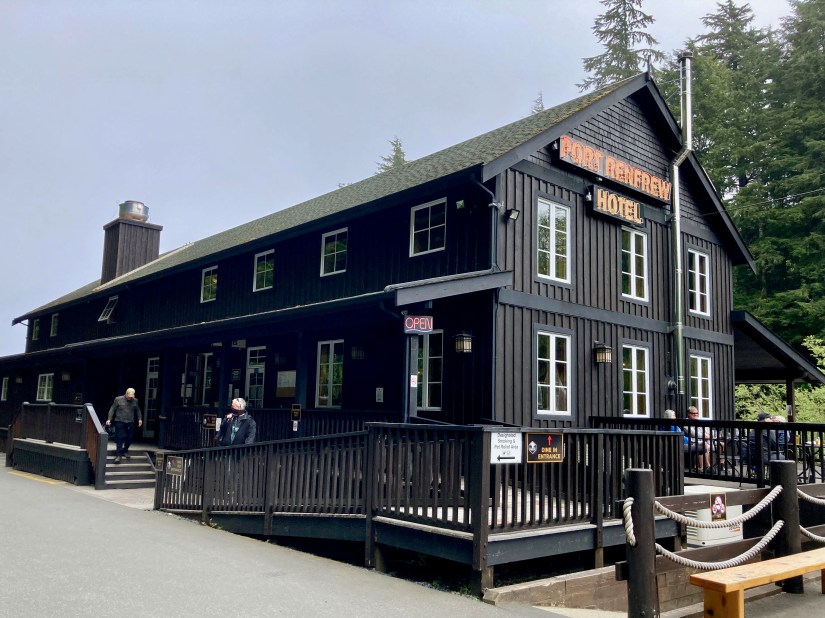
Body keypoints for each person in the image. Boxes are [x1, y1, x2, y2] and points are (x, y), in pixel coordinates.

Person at [105, 387, 142, 464]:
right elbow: (112, 409)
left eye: (132, 396)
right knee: (120, 437)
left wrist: (140, 419)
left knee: (130, 437)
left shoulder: (135, 401)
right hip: (120, 421)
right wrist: (109, 419)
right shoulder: (118, 399)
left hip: (130, 421)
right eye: (129, 396)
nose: (130, 398)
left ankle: (125, 450)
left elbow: (137, 410)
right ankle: (118, 455)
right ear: (126, 393)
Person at [685, 406, 712, 471]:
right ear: (689, 414)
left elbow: (707, 431)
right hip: (692, 441)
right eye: (693, 413)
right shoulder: (686, 422)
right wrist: (704, 435)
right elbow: (693, 434)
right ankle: (706, 466)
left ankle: (721, 466)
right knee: (704, 445)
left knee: (721, 444)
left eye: (697, 413)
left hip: (704, 440)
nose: (696, 415)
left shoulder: (699, 421)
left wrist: (707, 435)